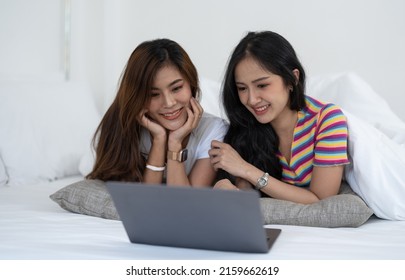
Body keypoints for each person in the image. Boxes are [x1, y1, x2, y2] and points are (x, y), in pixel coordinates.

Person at [209, 31, 350, 203]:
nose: (252, 99)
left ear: (292, 79)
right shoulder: (246, 128)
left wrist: (247, 170)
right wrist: (229, 188)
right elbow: (245, 192)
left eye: (262, 85)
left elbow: (322, 200)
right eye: (242, 88)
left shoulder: (326, 120)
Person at [86, 38, 228, 187]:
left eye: (176, 88)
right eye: (154, 94)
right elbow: (145, 200)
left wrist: (175, 143)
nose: (169, 103)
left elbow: (185, 202)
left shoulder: (213, 130)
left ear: (191, 84)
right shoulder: (125, 127)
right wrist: (159, 140)